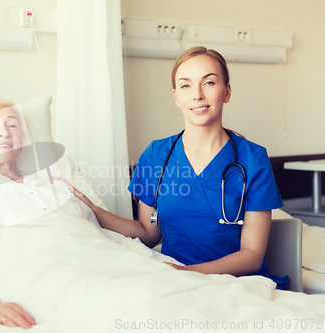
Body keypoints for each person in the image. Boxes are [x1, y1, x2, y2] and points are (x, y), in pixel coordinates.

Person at [0, 94, 182, 329]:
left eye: (12, 125)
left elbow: (144, 234)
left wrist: (151, 208)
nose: (4, 132)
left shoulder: (56, 184)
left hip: (110, 263)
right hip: (49, 278)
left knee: (176, 299)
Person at [70, 46, 288, 289]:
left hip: (238, 285)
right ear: (176, 97)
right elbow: (149, 233)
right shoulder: (156, 156)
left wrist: (187, 272)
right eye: (186, 85)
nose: (197, 95)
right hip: (175, 284)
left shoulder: (253, 159)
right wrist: (92, 210)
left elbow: (252, 255)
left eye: (209, 83)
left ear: (226, 92)